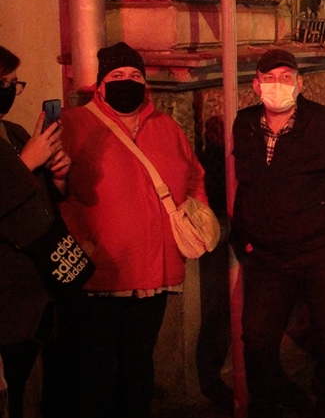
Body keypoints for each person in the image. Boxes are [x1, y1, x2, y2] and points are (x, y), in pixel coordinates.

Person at [47, 42, 207, 418]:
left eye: (135, 75)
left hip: (155, 275)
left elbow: (194, 177)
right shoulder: (74, 123)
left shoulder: (165, 127)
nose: (127, 82)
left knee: (138, 368)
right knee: (95, 373)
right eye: (117, 76)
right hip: (98, 276)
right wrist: (57, 183)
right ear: (100, 86)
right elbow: (52, 189)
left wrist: (193, 219)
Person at [232, 49, 325, 417]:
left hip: (322, 255)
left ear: (300, 83)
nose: (277, 85)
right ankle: (266, 405)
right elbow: (243, 187)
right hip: (266, 258)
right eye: (269, 78)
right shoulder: (245, 124)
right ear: (255, 85)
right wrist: (242, 238)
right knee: (258, 341)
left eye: (286, 77)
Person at [0, 46, 70, 418]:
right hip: (7, 302)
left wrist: (57, 178)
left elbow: (37, 199)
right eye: (2, 83)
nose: (9, 91)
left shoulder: (12, 132)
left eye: (13, 84)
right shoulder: (20, 148)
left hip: (39, 293)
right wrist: (28, 162)